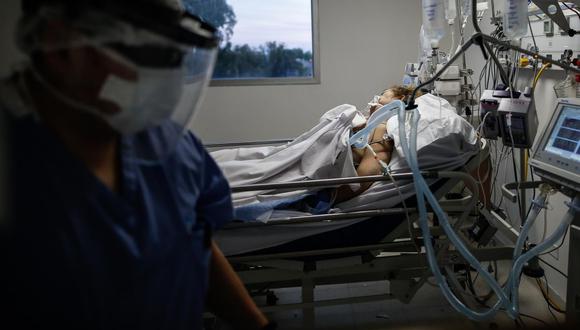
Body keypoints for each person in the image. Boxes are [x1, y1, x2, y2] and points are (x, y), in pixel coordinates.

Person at [0, 0, 272, 329]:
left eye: (173, 55)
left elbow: (193, 242)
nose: (166, 78)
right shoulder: (17, 165)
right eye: (149, 55)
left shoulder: (171, 146)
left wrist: (257, 325)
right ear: (64, 46)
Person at [336, 85, 417, 203]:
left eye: (384, 94)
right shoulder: (371, 123)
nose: (378, 97)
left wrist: (332, 197)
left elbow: (369, 171)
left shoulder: (382, 127)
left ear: (400, 98)